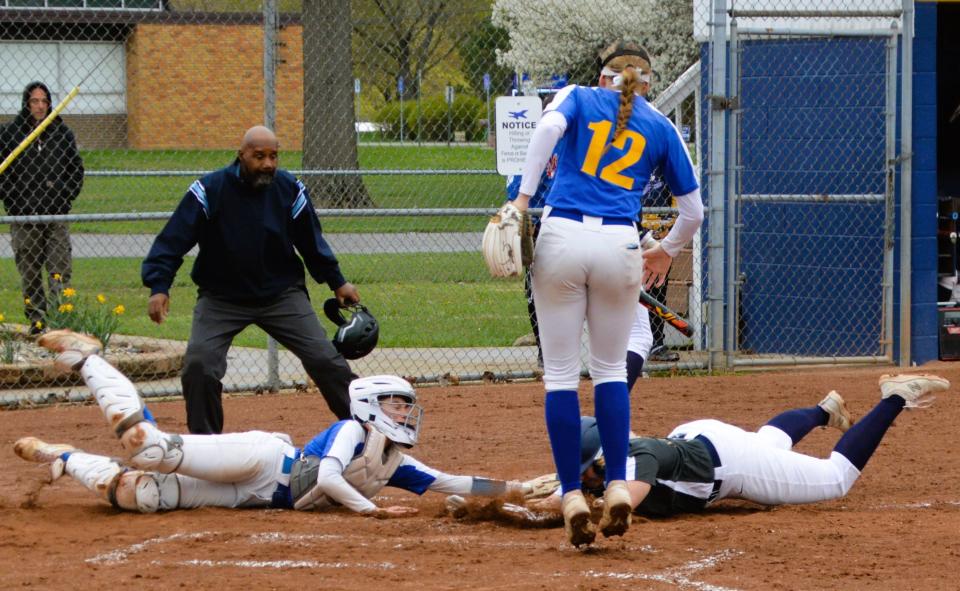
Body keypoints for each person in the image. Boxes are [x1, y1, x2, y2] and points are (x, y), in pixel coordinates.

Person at [502, 40, 703, 546]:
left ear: (602, 77)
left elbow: (548, 128)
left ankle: (572, 492)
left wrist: (521, 201)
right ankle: (615, 484)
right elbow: (695, 212)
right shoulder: (659, 124)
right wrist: (667, 251)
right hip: (620, 242)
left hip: (563, 234)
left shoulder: (577, 96)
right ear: (648, 80)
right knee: (611, 372)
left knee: (562, 379)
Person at [14, 329, 522, 516]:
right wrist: (372, 511)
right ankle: (88, 360)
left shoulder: (390, 459)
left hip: (255, 496)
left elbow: (449, 482)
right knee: (149, 449)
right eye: (395, 404)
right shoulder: (352, 431)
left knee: (142, 494)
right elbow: (324, 477)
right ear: (369, 406)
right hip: (264, 459)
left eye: (404, 407)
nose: (403, 414)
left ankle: (65, 457)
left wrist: (520, 489)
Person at [141, 125, 358, 434]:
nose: (268, 164)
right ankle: (206, 448)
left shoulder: (289, 189)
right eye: (259, 156)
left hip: (281, 294)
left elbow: (312, 243)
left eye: (273, 156)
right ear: (240, 155)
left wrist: (338, 282)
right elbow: (173, 240)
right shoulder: (209, 190)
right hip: (221, 298)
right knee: (199, 366)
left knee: (326, 360)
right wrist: (158, 286)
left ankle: (368, 429)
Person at [526, 374, 950, 521]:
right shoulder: (620, 456)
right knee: (768, 442)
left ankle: (895, 396)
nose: (582, 474)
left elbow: (623, 506)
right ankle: (824, 411)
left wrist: (569, 498)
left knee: (834, 479)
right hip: (706, 440)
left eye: (585, 467)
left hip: (730, 465)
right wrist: (570, 487)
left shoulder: (635, 463)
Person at [0, 81, 84, 332]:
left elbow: (76, 171)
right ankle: (37, 319)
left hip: (55, 215)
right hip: (24, 216)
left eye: (44, 101)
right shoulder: (10, 134)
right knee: (30, 270)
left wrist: (64, 197)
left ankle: (61, 319)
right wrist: (14, 201)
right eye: (35, 101)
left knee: (59, 269)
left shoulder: (62, 133)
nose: (40, 106)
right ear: (26, 104)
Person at [641, 171, 680, 363]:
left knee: (657, 293)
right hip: (630, 233)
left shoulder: (665, 165)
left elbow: (677, 200)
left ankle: (656, 343)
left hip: (659, 238)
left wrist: (668, 232)